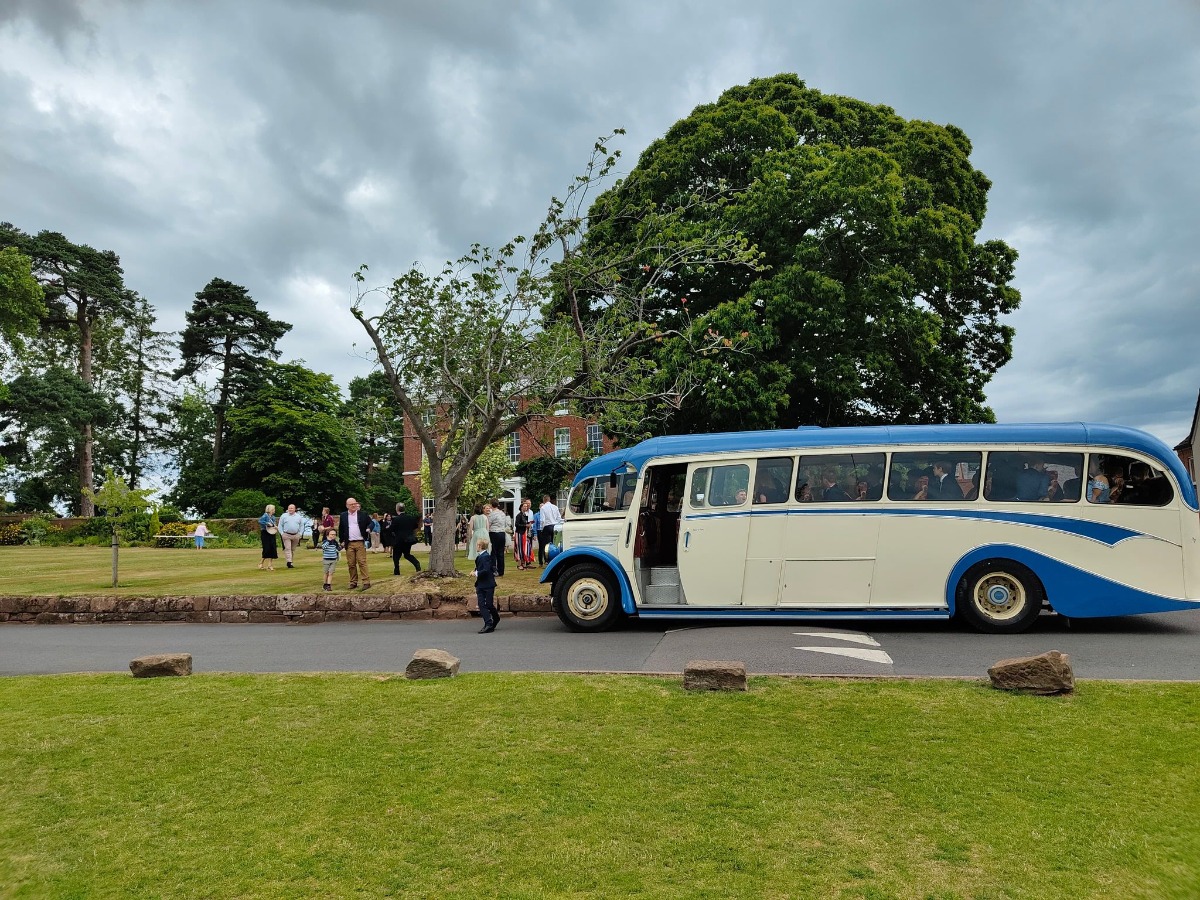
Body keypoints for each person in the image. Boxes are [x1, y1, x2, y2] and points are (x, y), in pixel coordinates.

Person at [338, 497, 372, 591]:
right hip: (349, 543)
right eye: (351, 504)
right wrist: (342, 540)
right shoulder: (343, 515)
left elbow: (371, 523)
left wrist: (369, 528)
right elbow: (341, 529)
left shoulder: (363, 514)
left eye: (355, 503)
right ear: (347, 506)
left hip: (360, 542)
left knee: (362, 562)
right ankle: (353, 582)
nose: (354, 505)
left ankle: (366, 582)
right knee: (351, 563)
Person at [473, 538, 498, 634]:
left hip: (487, 584)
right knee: (482, 604)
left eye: (477, 545)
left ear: (480, 546)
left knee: (488, 604)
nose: (476, 546)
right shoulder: (482, 556)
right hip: (481, 584)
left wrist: (476, 573)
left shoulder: (485, 556)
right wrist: (475, 571)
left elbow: (486, 570)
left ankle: (491, 622)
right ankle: (489, 622)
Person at [388, 503, 421, 575]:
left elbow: (391, 529)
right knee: (407, 554)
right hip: (408, 540)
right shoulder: (410, 518)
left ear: (397, 509)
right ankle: (416, 564)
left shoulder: (396, 519)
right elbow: (415, 526)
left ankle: (397, 570)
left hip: (399, 540)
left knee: (396, 556)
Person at [278, 503, 305, 568]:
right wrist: (282, 533)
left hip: (295, 535)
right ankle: (289, 562)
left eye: (292, 508)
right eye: (289, 508)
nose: (290, 509)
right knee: (288, 548)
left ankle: (290, 561)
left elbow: (301, 525)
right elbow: (280, 525)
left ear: (295, 509)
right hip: (286, 535)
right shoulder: (284, 516)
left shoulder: (298, 516)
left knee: (292, 549)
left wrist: (300, 534)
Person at [538, 494, 562, 566]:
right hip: (554, 526)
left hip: (547, 526)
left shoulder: (543, 508)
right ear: (549, 499)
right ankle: (554, 559)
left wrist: (542, 529)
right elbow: (559, 518)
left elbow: (542, 520)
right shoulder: (555, 507)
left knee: (547, 545)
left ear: (544, 500)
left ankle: (547, 560)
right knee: (554, 544)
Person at [513, 498, 534, 570]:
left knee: (524, 548)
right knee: (519, 548)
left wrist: (528, 524)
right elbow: (517, 524)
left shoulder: (524, 515)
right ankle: (519, 564)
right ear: (521, 507)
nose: (526, 507)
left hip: (524, 533)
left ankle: (524, 563)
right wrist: (526, 525)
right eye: (524, 506)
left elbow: (525, 523)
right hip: (519, 533)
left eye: (526, 506)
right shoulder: (519, 515)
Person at [257, 504, 278, 570]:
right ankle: (261, 563)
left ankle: (270, 564)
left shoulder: (273, 517)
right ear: (270, 509)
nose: (274, 510)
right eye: (273, 509)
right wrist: (267, 523)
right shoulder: (265, 516)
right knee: (267, 548)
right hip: (265, 533)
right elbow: (260, 521)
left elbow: (274, 524)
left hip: (272, 533)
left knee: (272, 548)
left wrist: (275, 527)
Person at [319, 527, 340, 592]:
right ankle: (325, 584)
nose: (333, 536)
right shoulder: (325, 541)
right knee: (326, 572)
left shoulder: (335, 542)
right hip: (326, 560)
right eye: (331, 534)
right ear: (328, 535)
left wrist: (342, 546)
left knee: (331, 572)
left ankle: (328, 585)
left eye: (334, 534)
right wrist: (328, 541)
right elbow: (323, 547)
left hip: (333, 559)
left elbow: (337, 549)